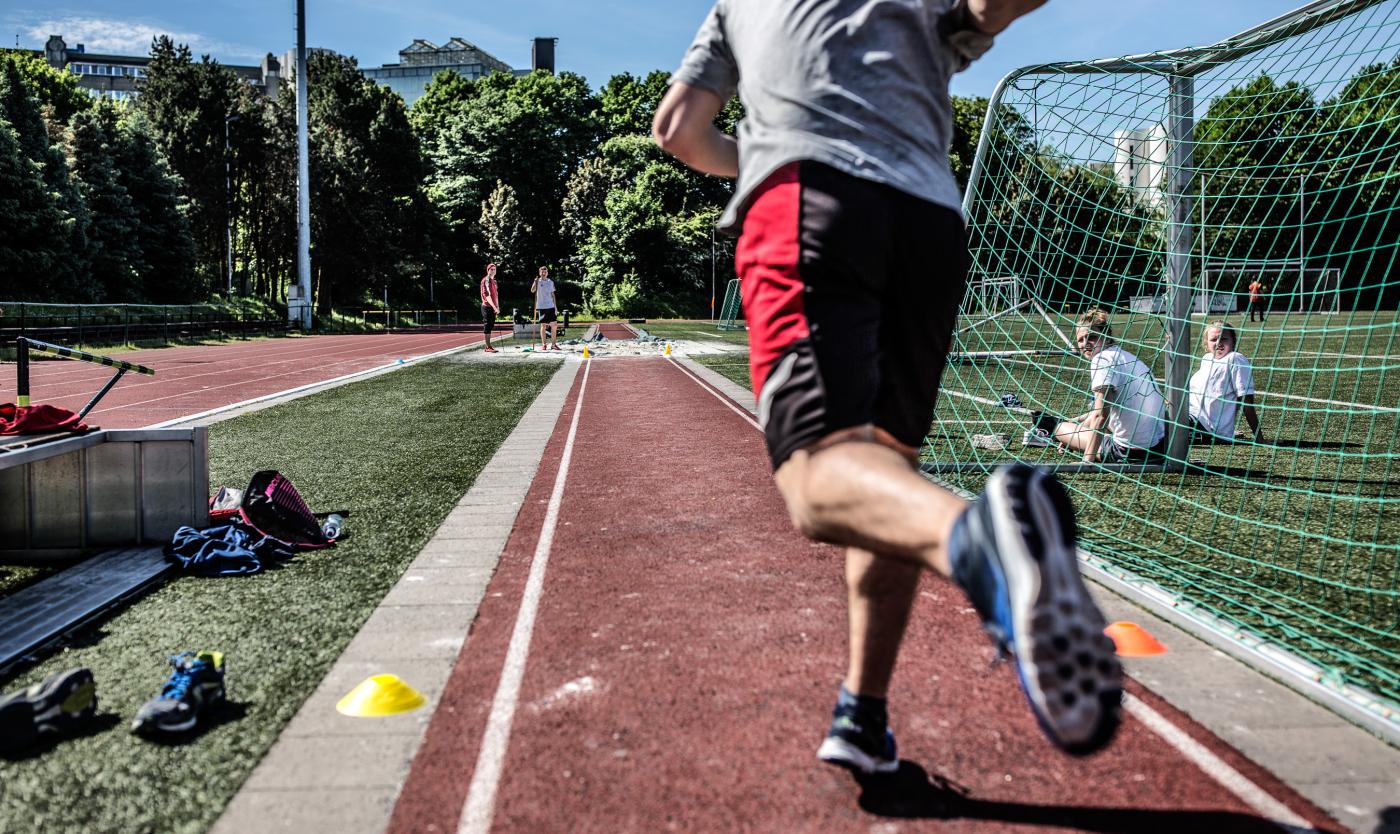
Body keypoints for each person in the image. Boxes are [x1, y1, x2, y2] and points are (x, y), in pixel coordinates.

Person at [653, 0, 1122, 775]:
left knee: (815, 477)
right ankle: (864, 716)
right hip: (930, 222)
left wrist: (764, 148)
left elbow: (678, 128)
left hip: (812, 199)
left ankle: (984, 548)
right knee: (885, 472)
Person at [1048, 310, 1166, 464]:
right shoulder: (1126, 356)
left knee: (1056, 427)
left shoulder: (1102, 360)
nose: (1085, 344)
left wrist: (1087, 461)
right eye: (1080, 340)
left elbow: (1101, 416)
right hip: (1160, 448)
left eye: (1092, 337)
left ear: (1107, 336)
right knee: (1085, 420)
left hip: (1131, 452)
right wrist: (1076, 434)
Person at [1188, 320, 1263, 443]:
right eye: (1213, 339)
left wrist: (1259, 438)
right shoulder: (1207, 359)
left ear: (1233, 341)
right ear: (1206, 343)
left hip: (1202, 427)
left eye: (1224, 339)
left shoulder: (1235, 359)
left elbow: (1246, 401)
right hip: (1191, 417)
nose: (1218, 343)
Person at [531, 266, 560, 351]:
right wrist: (535, 282)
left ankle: (554, 344)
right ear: (540, 273)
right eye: (542, 272)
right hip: (541, 306)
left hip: (550, 305)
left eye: (545, 272)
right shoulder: (537, 281)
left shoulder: (550, 282)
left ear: (547, 273)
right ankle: (544, 344)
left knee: (554, 325)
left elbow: (553, 295)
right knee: (543, 325)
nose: (543, 273)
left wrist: (555, 307)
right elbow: (532, 290)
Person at [480, 263, 501, 354]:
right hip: (487, 306)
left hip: (493, 307)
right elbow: (487, 295)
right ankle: (488, 346)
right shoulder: (486, 280)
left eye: (494, 269)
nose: (493, 271)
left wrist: (497, 307)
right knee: (487, 325)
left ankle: (489, 346)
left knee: (491, 325)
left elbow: (496, 295)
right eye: (491, 269)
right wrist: (493, 307)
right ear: (488, 270)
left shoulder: (494, 281)